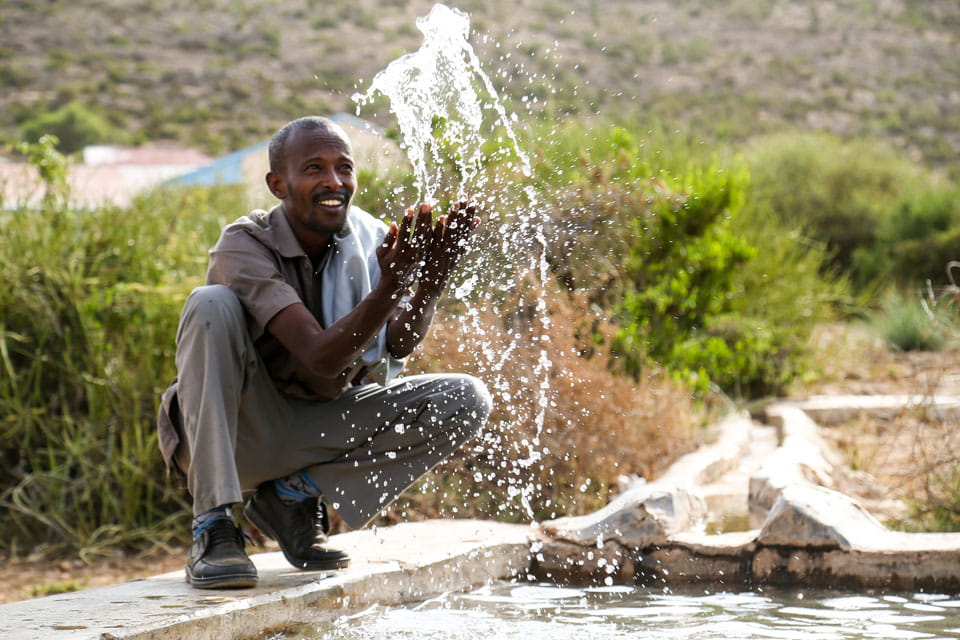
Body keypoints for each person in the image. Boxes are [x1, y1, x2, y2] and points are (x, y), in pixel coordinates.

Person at [157, 115, 492, 589]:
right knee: (209, 303)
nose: (334, 182)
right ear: (279, 184)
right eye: (314, 168)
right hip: (233, 434)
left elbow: (395, 344)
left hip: (316, 421)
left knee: (465, 399)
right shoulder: (244, 244)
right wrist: (391, 285)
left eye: (344, 168)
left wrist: (430, 282)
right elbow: (319, 356)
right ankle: (213, 526)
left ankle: (291, 498)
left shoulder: (370, 238)